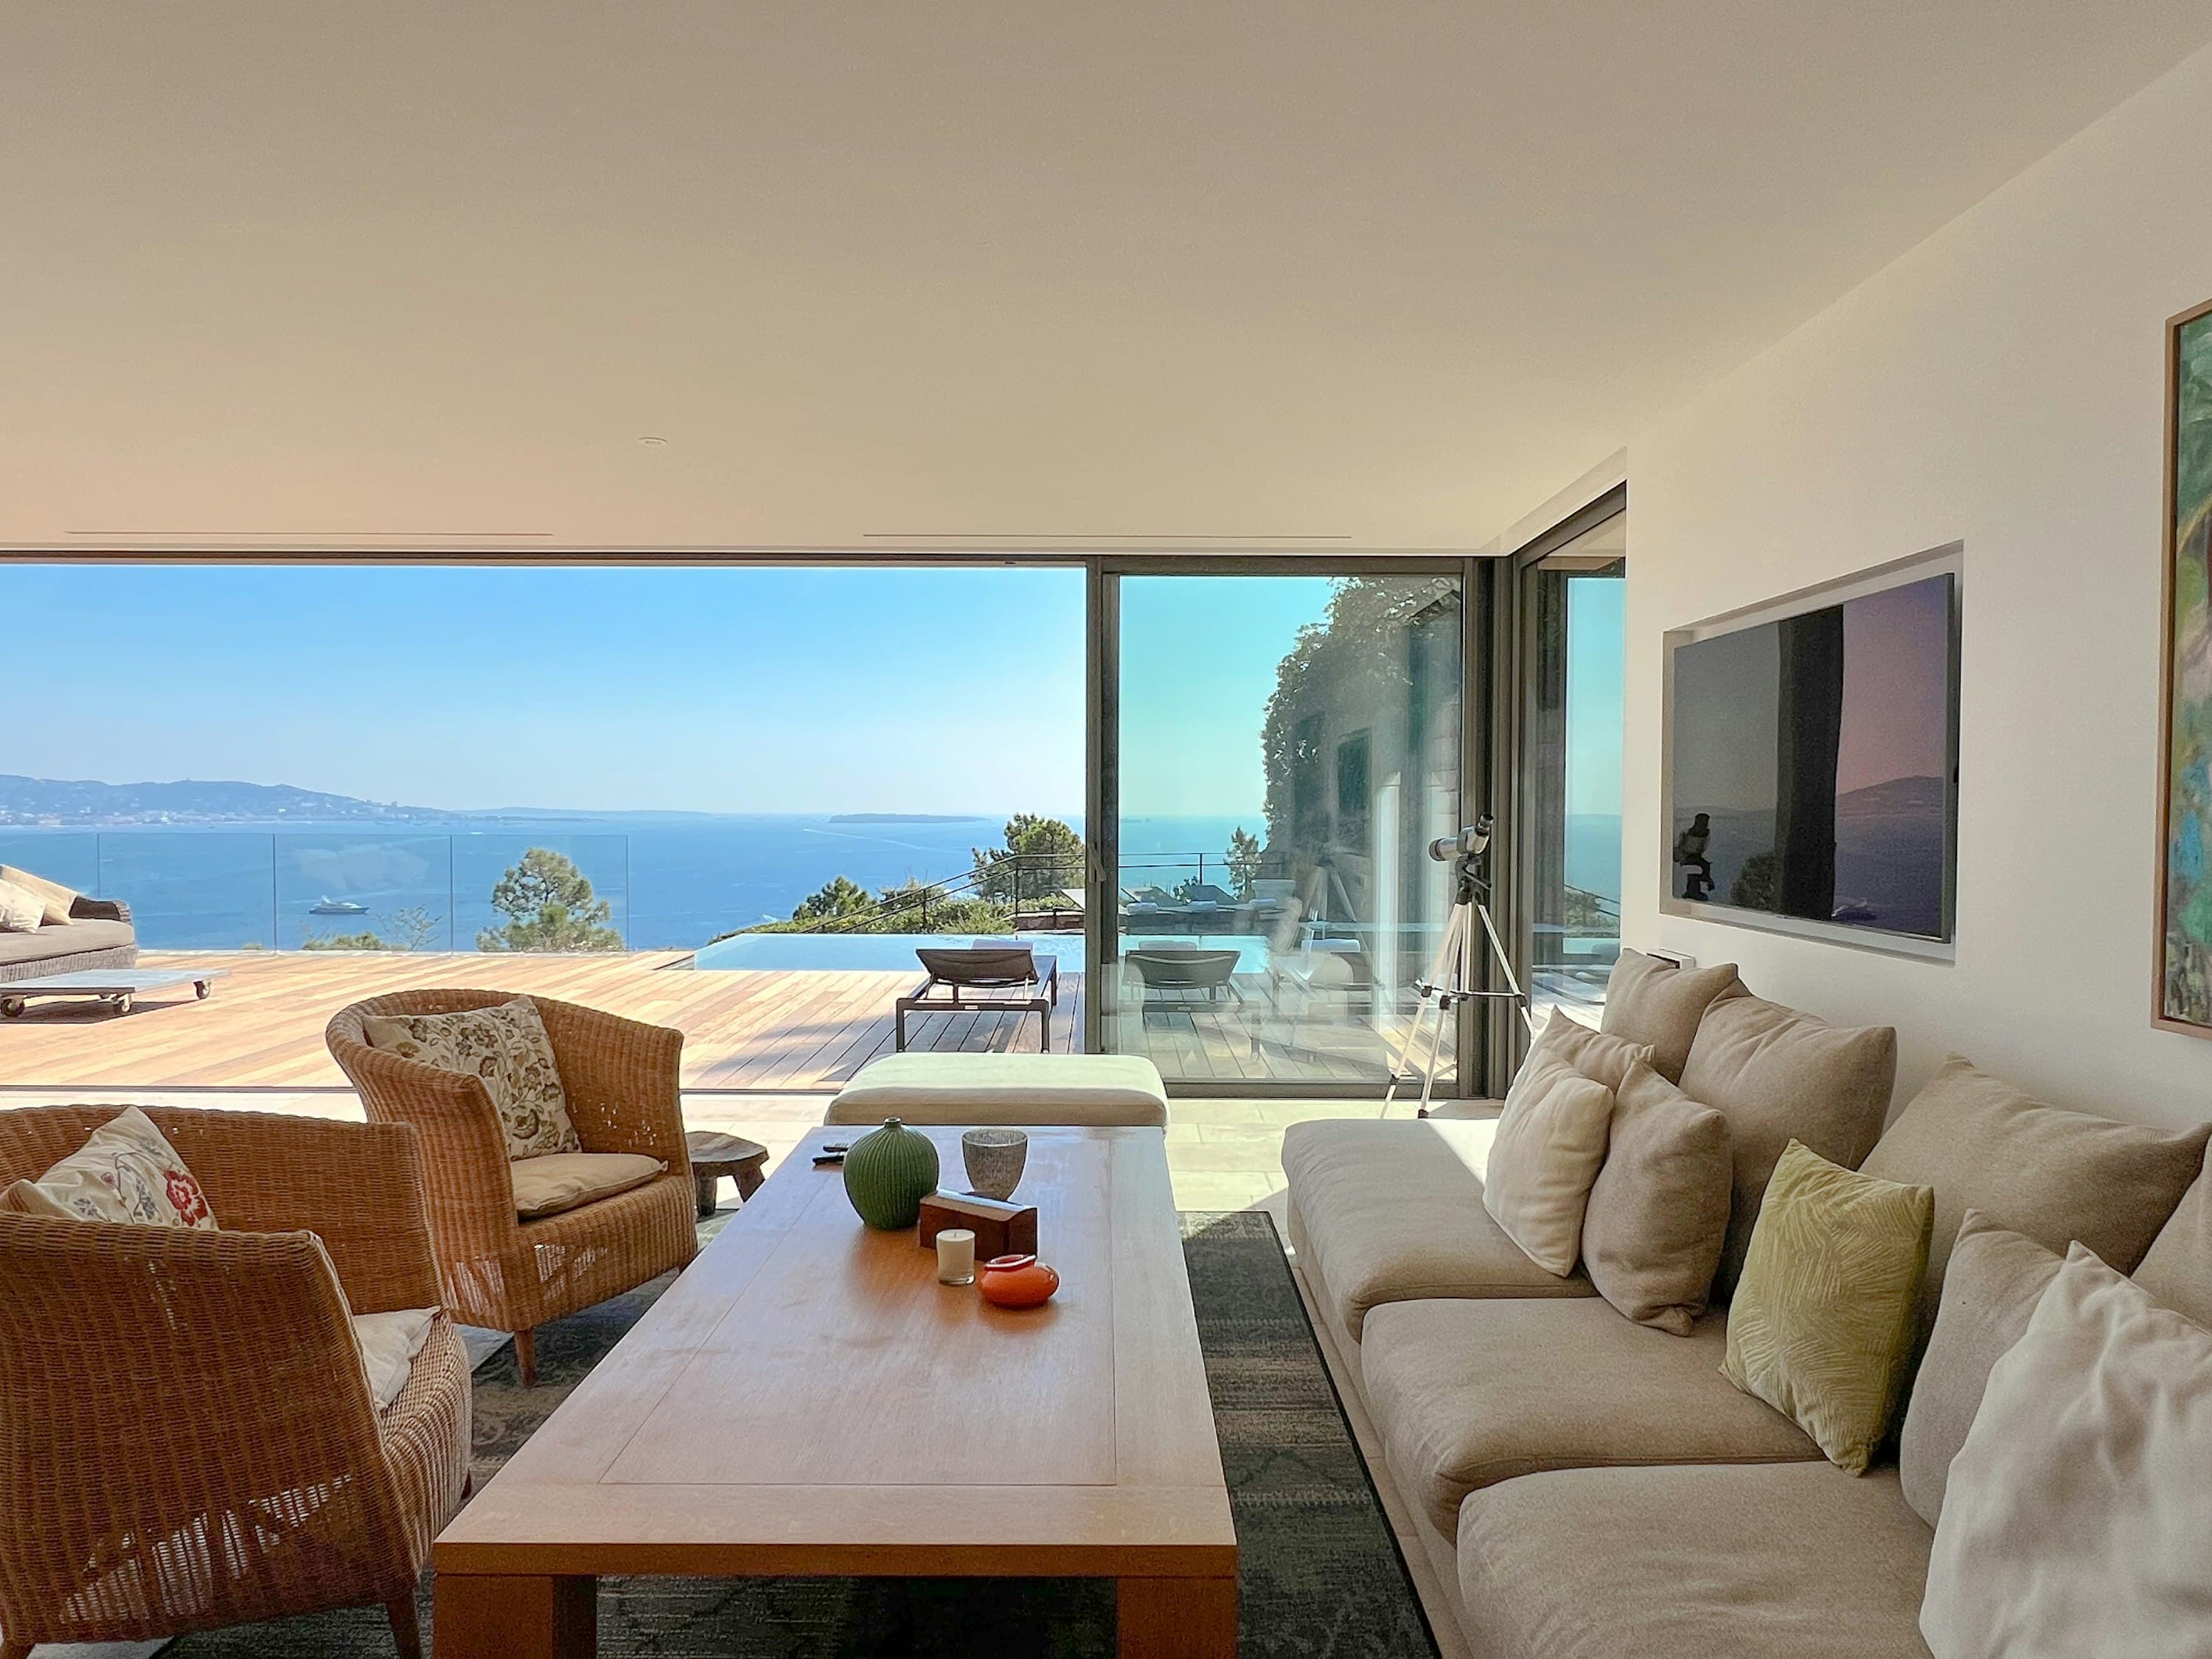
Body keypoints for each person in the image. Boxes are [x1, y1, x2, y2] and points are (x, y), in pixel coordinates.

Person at [1674, 812, 1714, 901]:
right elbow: (1679, 846)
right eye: (1702, 822)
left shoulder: (1706, 834)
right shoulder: (1686, 833)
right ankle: (1696, 889)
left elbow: (1703, 847)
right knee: (1698, 868)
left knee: (1703, 867)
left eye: (1705, 822)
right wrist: (1681, 856)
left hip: (1695, 857)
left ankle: (1700, 885)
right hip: (1686, 856)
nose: (1704, 824)